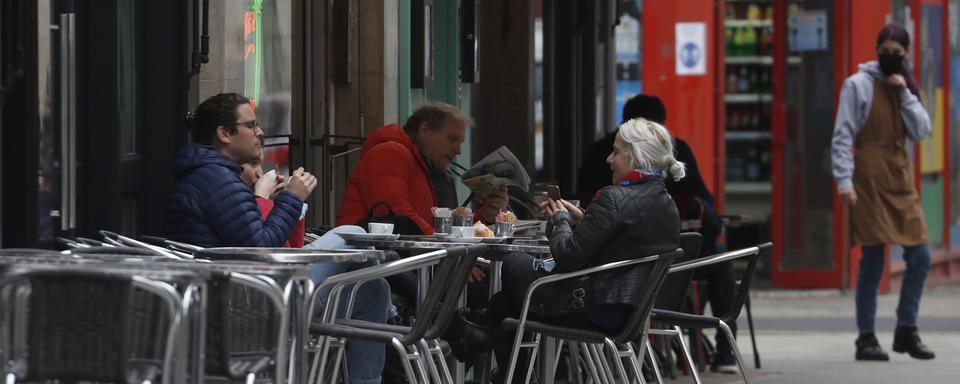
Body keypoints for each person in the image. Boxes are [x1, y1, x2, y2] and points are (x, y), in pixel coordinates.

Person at [486, 117, 683, 383]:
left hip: (592, 308)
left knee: (513, 263)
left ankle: (502, 367)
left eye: (616, 152)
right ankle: (509, 374)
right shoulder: (666, 204)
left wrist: (560, 220)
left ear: (636, 157)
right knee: (502, 304)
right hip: (628, 312)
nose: (609, 159)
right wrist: (584, 220)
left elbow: (567, 258)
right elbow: (625, 239)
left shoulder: (614, 197)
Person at [239, 156, 393, 384]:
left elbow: (294, 248)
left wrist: (287, 205)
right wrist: (263, 198)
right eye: (253, 166)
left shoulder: (253, 200)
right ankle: (393, 313)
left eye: (261, 166)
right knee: (352, 234)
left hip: (290, 289)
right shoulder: (238, 198)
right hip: (266, 299)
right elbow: (262, 251)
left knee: (374, 290)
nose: (261, 174)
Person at [831, 24, 935, 361]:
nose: (891, 56)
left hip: (899, 176)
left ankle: (907, 328)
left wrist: (904, 93)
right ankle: (866, 338)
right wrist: (844, 180)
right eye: (886, 50)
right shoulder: (857, 85)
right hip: (868, 178)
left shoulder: (905, 87)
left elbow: (922, 131)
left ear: (906, 54)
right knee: (873, 260)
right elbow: (843, 135)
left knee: (920, 255)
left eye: (898, 52)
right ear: (877, 49)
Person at [165, 92, 317, 248]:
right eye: (251, 125)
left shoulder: (211, 174)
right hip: (234, 272)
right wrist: (292, 197)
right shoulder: (219, 181)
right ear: (224, 134)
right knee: (342, 238)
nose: (260, 133)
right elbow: (259, 250)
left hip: (225, 269)